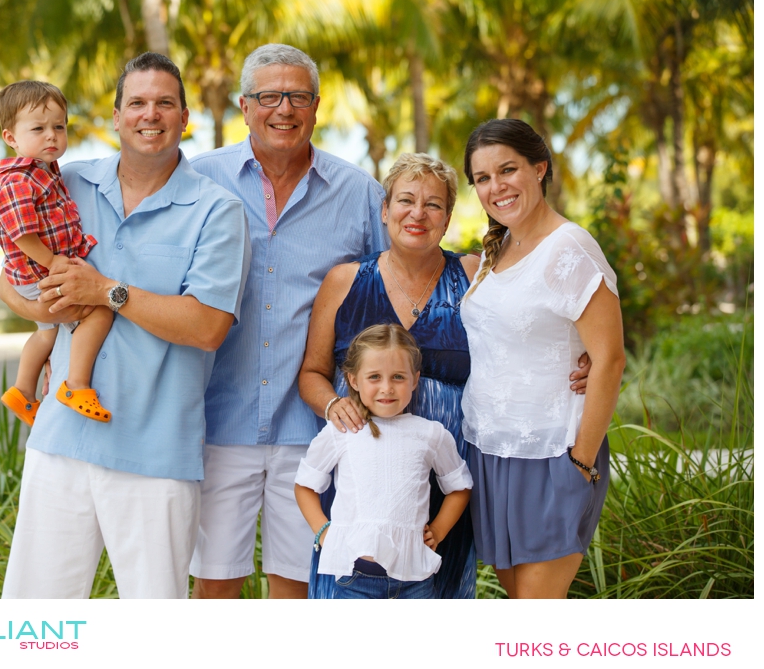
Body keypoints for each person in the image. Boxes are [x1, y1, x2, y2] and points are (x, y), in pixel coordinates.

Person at [0, 52, 251, 599]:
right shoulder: (64, 181)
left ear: (185, 118)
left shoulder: (217, 211)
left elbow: (207, 327)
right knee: (33, 620)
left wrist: (105, 293)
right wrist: (49, 310)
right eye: (136, 102)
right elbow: (9, 280)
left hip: (155, 454)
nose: (149, 114)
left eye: (164, 103)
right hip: (60, 441)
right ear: (116, 116)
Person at [298, 152, 592, 599]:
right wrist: (333, 404)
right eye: (406, 200)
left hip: (450, 473)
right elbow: (311, 372)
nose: (418, 213)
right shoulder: (344, 281)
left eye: (433, 204)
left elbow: (535, 324)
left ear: (448, 218)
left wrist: (584, 354)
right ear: (385, 210)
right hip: (364, 480)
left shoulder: (476, 274)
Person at [188, 44, 388, 599]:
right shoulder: (198, 180)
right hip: (216, 422)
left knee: (298, 592)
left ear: (316, 106)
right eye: (269, 96)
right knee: (214, 589)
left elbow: (404, 283)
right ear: (244, 106)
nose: (284, 109)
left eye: (298, 96)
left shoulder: (359, 193)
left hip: (315, 429)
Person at [460, 118, 626, 599]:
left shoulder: (570, 248)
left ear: (539, 168)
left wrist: (582, 461)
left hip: (554, 451)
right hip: (489, 452)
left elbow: (610, 358)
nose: (496, 186)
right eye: (483, 178)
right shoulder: (496, 249)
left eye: (507, 170)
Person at [294, 324, 472, 599]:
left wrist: (438, 530)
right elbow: (305, 485)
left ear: (415, 380)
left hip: (415, 582)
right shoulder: (343, 431)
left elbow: (459, 487)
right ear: (354, 380)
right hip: (355, 580)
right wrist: (323, 531)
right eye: (374, 377)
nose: (386, 388)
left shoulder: (431, 434)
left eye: (398, 377)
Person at [0, 80, 114, 426]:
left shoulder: (46, 172)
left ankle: (23, 392)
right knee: (99, 312)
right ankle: (76, 386)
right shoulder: (17, 181)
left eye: (59, 127)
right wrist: (53, 261)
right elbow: (22, 234)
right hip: (39, 274)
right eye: (38, 129)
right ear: (10, 137)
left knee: (47, 332)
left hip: (37, 274)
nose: (52, 136)